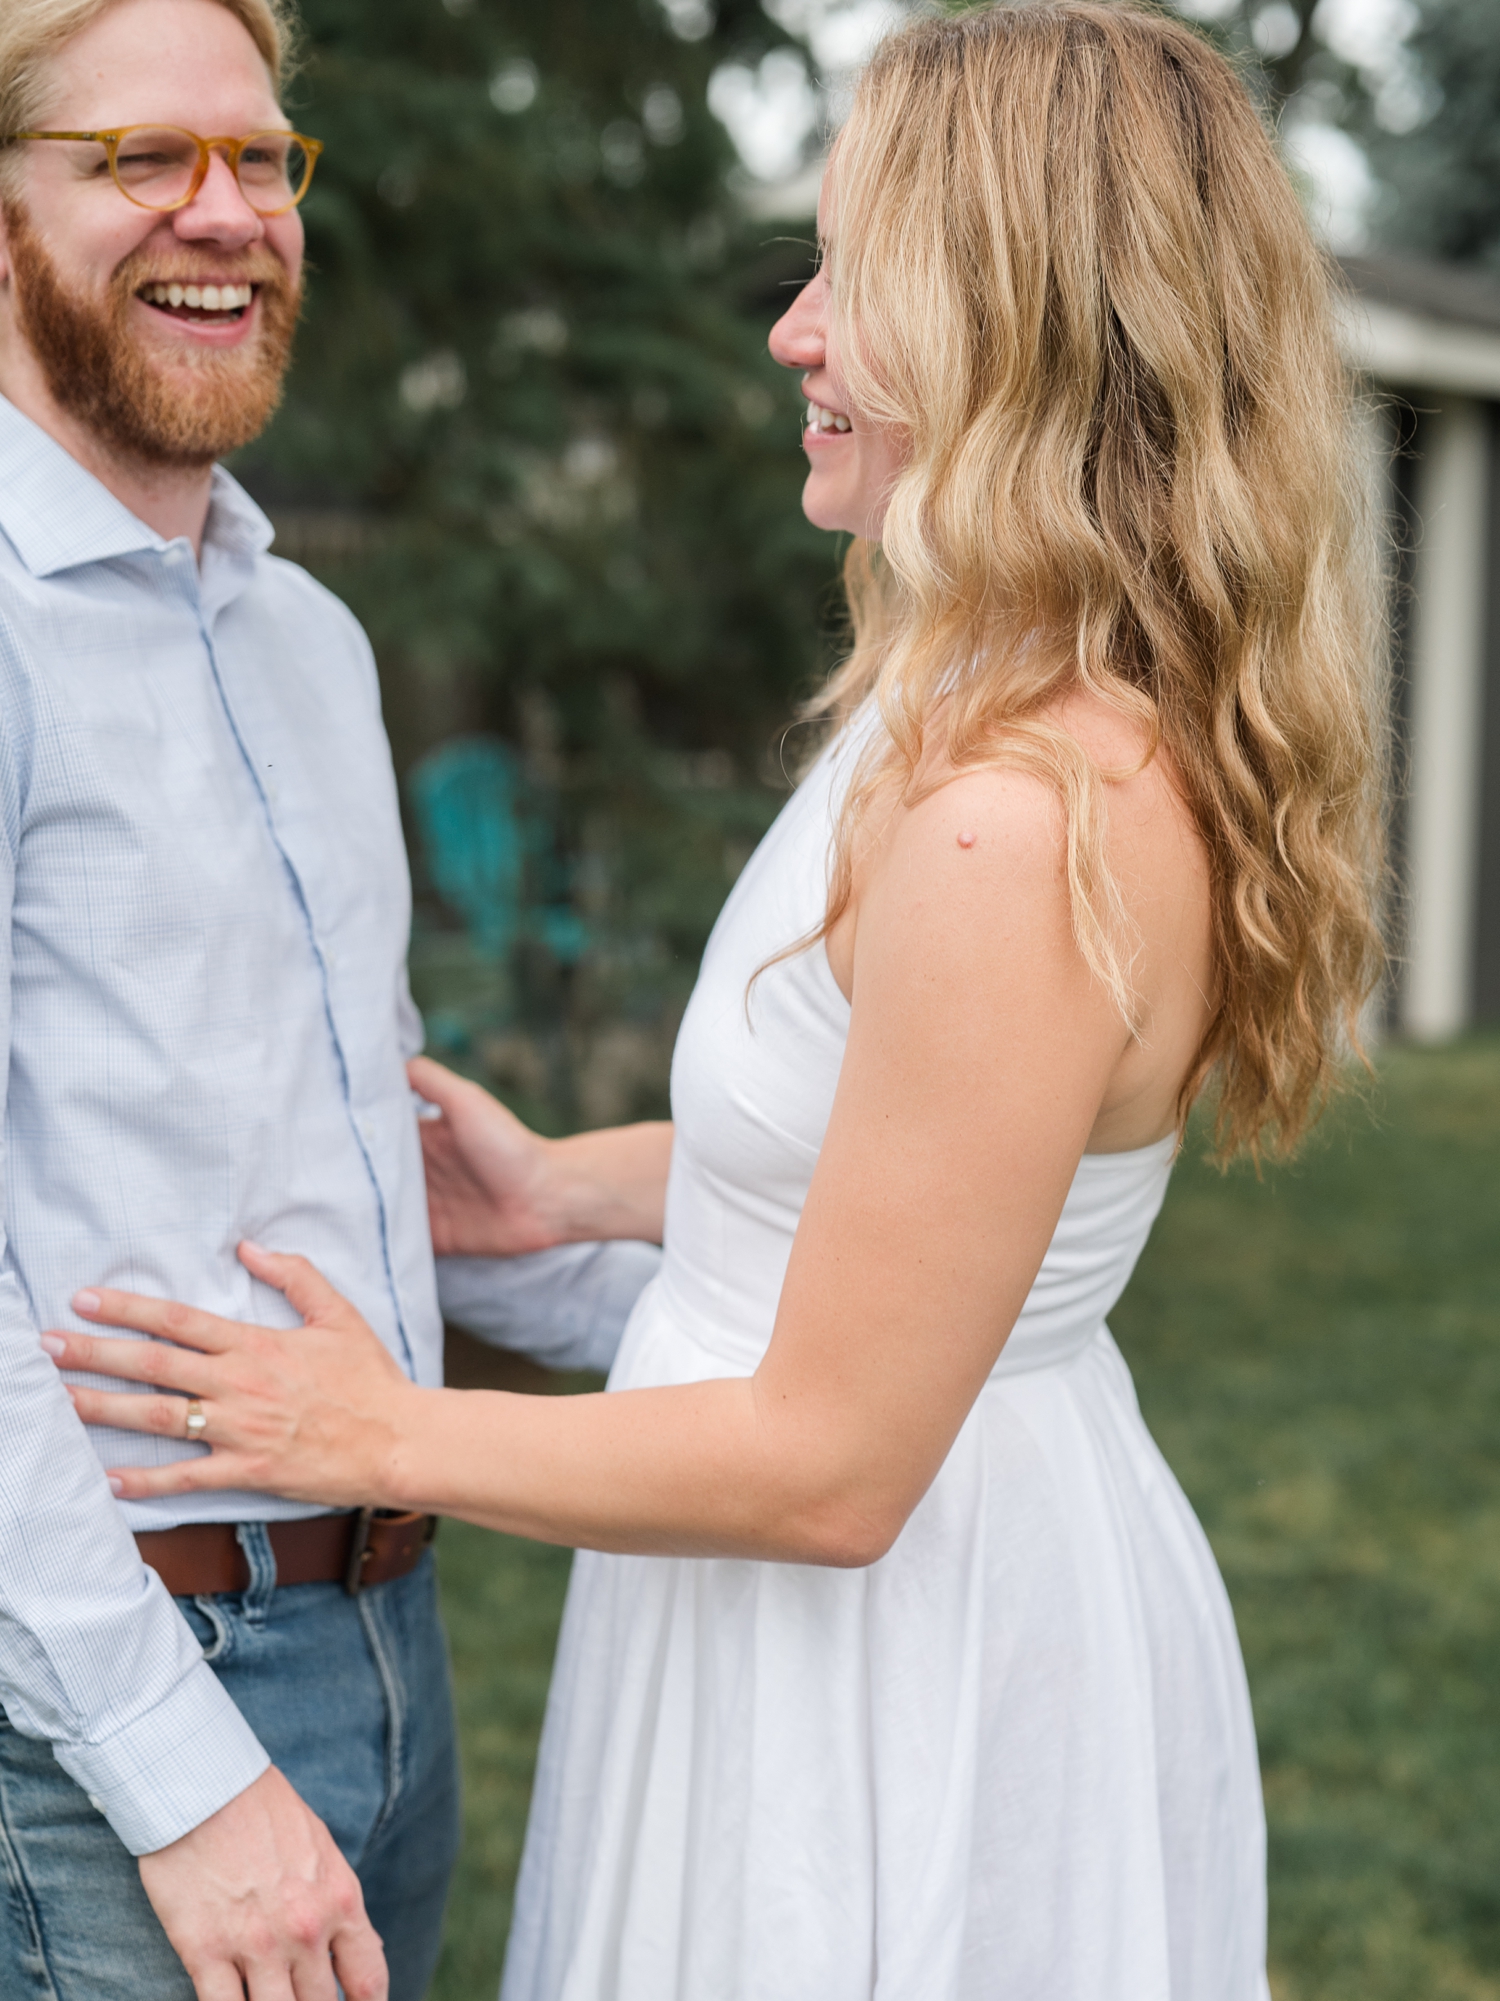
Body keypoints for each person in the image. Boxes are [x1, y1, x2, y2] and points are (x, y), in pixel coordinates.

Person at [55, 5, 1388, 1997]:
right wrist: (570, 1189)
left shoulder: (1015, 817)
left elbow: (834, 1463)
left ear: (1009, 321)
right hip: (884, 1592)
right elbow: (923, 1158)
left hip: (884, 1663)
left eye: (853, 271)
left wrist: (378, 1428)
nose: (796, 332)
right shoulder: (977, 708)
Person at [0, 2, 653, 1996]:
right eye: (143, 158)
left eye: (267, 158)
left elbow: (362, 1171)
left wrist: (785, 1354)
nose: (230, 212)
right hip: (96, 1710)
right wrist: (182, 1778)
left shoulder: (312, 641)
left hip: (396, 1642)